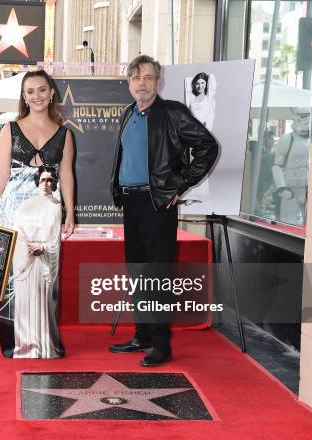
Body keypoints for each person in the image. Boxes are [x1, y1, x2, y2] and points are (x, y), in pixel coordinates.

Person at [109, 55, 218, 366]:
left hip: (158, 204)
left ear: (158, 82)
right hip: (131, 203)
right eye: (135, 78)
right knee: (138, 272)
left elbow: (207, 146)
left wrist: (179, 185)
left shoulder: (172, 113)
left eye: (148, 77)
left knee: (158, 275)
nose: (141, 83)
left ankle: (161, 344)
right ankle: (142, 335)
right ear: (128, 83)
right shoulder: (128, 114)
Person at [0, 69, 75, 358]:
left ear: (51, 93)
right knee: (16, 273)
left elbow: (67, 175)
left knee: (47, 272)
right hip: (14, 210)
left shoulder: (65, 134)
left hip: (48, 209)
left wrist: (70, 213)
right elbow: (1, 172)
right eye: (30, 91)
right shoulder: (10, 129)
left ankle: (46, 342)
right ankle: (17, 343)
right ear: (24, 96)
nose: (37, 96)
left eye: (42, 90)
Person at [11, 166, 63, 358]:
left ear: (55, 183)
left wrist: (44, 248)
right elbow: (18, 231)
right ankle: (25, 347)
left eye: (50, 180)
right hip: (25, 261)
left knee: (43, 304)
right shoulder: (26, 205)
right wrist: (27, 247)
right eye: (43, 180)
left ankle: (43, 347)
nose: (46, 184)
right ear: (37, 182)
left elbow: (56, 239)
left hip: (43, 263)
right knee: (25, 305)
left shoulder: (56, 206)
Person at [272, 108, 310, 225]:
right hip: (291, 191)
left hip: (309, 189)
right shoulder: (287, 139)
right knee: (290, 224)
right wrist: (282, 188)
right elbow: (277, 166)